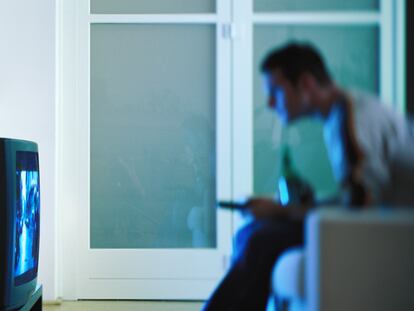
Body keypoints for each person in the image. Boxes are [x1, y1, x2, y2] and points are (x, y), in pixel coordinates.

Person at [202, 42, 414, 311]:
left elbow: (361, 208)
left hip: (393, 233)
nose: (269, 103)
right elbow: (359, 198)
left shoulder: (351, 118)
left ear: (305, 83)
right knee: (251, 233)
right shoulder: (342, 114)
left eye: (275, 92)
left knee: (260, 240)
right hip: (384, 224)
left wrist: (283, 211)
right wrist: (282, 210)